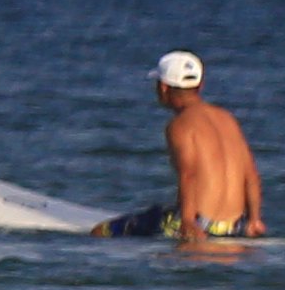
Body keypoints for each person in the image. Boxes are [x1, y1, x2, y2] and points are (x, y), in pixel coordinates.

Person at [98, 52, 265, 242]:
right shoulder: (227, 119)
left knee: (101, 232)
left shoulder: (179, 125)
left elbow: (189, 174)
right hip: (236, 226)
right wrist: (254, 219)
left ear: (163, 88)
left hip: (199, 223)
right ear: (200, 86)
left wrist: (187, 221)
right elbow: (251, 173)